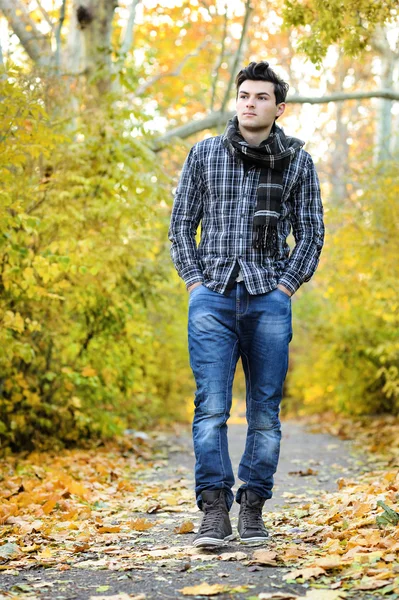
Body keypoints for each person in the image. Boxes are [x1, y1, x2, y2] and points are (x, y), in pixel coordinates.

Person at [168, 61, 324, 548]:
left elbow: (311, 234)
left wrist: (284, 288)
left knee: (264, 411)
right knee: (211, 409)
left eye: (261, 97)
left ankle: (253, 507)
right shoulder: (205, 154)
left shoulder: (297, 161)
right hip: (211, 295)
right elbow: (180, 227)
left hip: (268, 297)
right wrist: (195, 283)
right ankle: (214, 510)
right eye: (244, 96)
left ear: (279, 108)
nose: (250, 103)